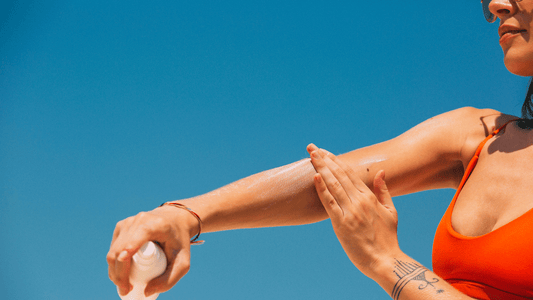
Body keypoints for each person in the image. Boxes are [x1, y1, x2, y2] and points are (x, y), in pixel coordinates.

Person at [107, 1, 533, 299]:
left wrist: (387, 262)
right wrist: (185, 215)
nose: (496, 4)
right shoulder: (479, 135)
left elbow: (377, 248)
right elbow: (330, 185)